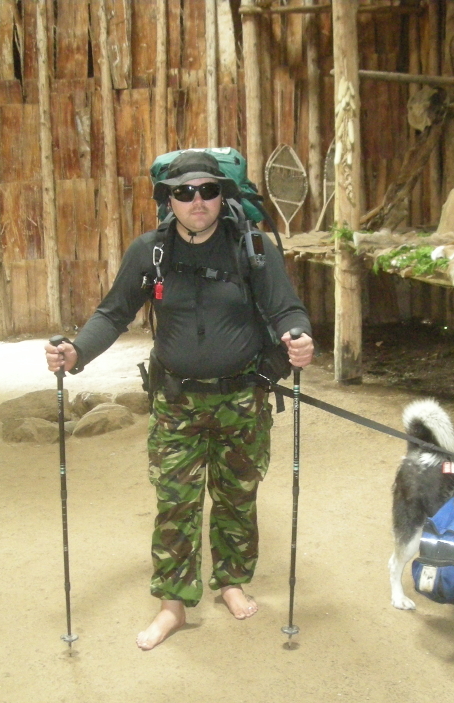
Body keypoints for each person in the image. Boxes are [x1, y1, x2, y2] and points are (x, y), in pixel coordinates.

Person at [45, 150, 313, 651]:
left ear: (222, 195)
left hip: (242, 399)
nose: (197, 201)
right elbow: (112, 313)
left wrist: (297, 336)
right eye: (185, 191)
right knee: (176, 503)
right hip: (175, 402)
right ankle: (172, 603)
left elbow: (286, 309)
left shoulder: (252, 248)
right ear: (169, 199)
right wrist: (76, 351)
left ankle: (231, 581)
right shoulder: (150, 252)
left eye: (208, 190)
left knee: (238, 496)